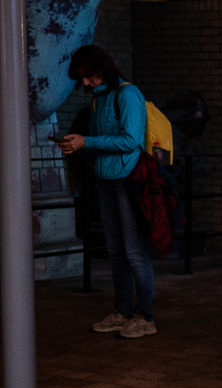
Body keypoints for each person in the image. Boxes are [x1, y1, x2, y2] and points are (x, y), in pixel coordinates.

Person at [57, 45, 158, 339]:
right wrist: (78, 145)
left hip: (126, 181)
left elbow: (130, 140)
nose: (85, 82)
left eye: (88, 76)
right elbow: (103, 141)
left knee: (133, 251)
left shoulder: (127, 94)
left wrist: (86, 142)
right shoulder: (99, 100)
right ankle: (122, 311)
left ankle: (145, 316)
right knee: (116, 252)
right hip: (106, 181)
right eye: (82, 78)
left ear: (101, 70)